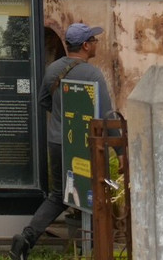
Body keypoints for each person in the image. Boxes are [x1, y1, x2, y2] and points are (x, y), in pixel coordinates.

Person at [10, 22, 114, 260]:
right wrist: (118, 151)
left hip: (57, 141)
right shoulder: (93, 75)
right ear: (86, 45)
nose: (96, 44)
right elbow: (106, 115)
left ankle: (26, 238)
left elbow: (44, 101)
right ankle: (98, 248)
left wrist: (61, 117)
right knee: (96, 193)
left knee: (59, 194)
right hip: (85, 144)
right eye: (94, 40)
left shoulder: (52, 69)